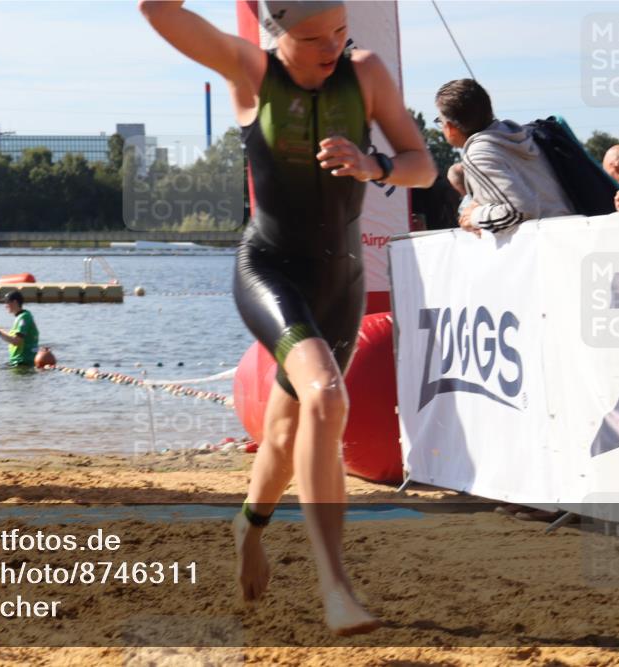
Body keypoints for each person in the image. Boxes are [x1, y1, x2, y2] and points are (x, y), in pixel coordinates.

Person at [141, 0, 435, 636]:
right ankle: (336, 587)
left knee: (281, 435)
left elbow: (423, 164)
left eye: (340, 31)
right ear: (276, 34)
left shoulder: (366, 72)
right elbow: (156, 11)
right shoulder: (249, 69)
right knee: (326, 395)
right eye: (314, 38)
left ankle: (248, 527)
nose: (332, 48)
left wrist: (375, 165)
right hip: (271, 271)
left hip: (341, 282)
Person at [434, 79, 573, 234]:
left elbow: (521, 209)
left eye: (440, 121)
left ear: (450, 127)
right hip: (571, 231)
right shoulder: (520, 136)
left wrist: (474, 216)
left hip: (545, 241)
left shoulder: (479, 155)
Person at [0, 290, 39, 367]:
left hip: (23, 362)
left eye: (7, 302)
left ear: (15, 302)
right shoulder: (21, 317)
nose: (5, 305)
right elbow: (12, 337)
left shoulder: (24, 317)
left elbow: (16, 341)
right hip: (19, 362)